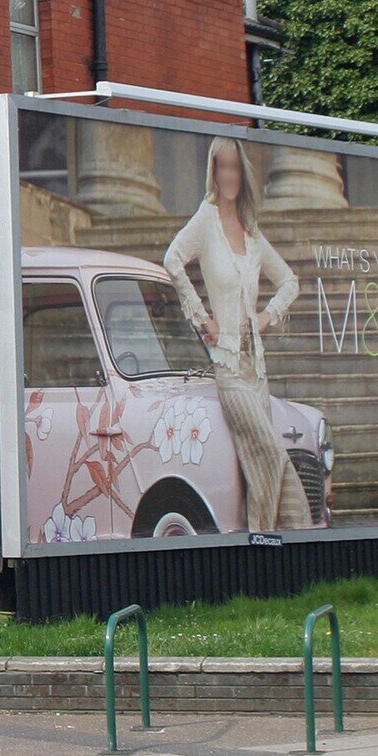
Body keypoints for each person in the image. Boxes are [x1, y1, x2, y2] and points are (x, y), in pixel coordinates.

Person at [164, 136, 312, 530]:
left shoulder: (251, 232)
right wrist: (202, 318)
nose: (228, 175)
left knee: (260, 465)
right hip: (228, 368)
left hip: (258, 370)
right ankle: (294, 534)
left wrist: (266, 317)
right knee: (269, 453)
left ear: (242, 174)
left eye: (234, 167)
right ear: (213, 171)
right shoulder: (205, 220)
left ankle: (271, 546)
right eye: (221, 166)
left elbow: (290, 282)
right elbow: (172, 260)